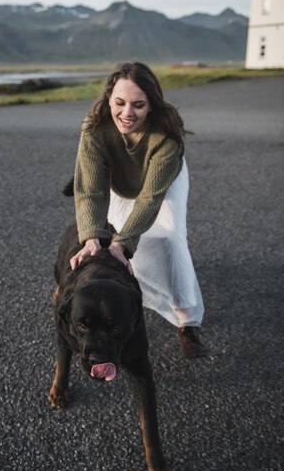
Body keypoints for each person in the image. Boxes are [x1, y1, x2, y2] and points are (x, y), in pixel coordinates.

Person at [70, 61, 207, 358]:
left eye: (138, 105)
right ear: (108, 100)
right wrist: (92, 237)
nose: (127, 113)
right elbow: (90, 190)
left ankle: (187, 322)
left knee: (169, 238)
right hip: (119, 183)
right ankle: (142, 291)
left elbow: (149, 199)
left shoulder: (166, 140)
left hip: (163, 184)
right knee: (125, 242)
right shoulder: (94, 129)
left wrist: (122, 244)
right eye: (119, 103)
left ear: (152, 106)